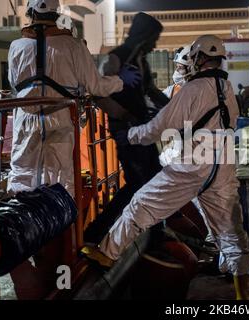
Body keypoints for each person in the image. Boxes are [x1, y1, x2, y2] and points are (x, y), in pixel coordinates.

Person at [83, 35, 249, 300]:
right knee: (230, 228)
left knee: (142, 203)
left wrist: (130, 135)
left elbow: (160, 126)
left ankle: (106, 254)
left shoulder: (193, 89)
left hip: (193, 163)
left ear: (197, 59)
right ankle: (243, 294)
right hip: (224, 162)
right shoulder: (226, 86)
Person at [7, 0, 139, 197]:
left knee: (22, 175)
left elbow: (13, 82)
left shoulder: (16, 46)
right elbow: (97, 86)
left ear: (31, 13)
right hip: (61, 116)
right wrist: (121, 81)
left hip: (25, 118)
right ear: (56, 14)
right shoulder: (74, 46)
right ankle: (63, 225)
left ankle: (20, 222)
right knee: (61, 178)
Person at [83, 12, 169, 244]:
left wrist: (174, 108)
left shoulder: (140, 59)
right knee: (137, 183)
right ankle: (95, 232)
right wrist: (125, 115)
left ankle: (155, 231)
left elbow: (150, 91)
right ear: (144, 36)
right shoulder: (116, 58)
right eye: (154, 39)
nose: (154, 45)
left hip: (142, 129)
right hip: (126, 131)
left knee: (154, 179)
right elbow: (98, 95)